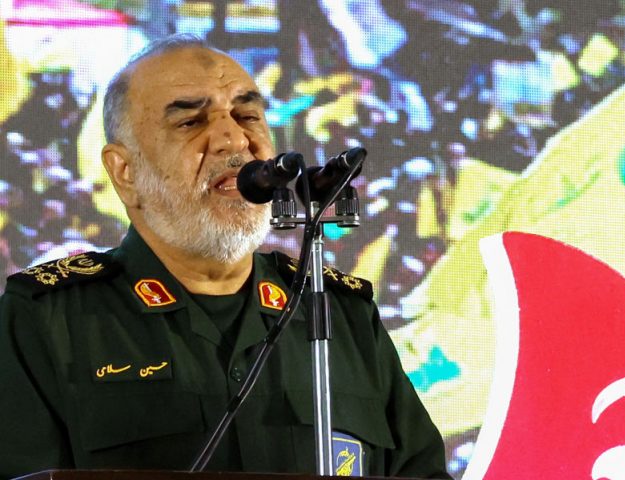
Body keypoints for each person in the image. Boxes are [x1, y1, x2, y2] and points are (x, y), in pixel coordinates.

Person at [0, 35, 449, 479]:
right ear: (125, 171)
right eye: (190, 122)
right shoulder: (45, 320)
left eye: (248, 114)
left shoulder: (342, 315)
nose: (234, 139)